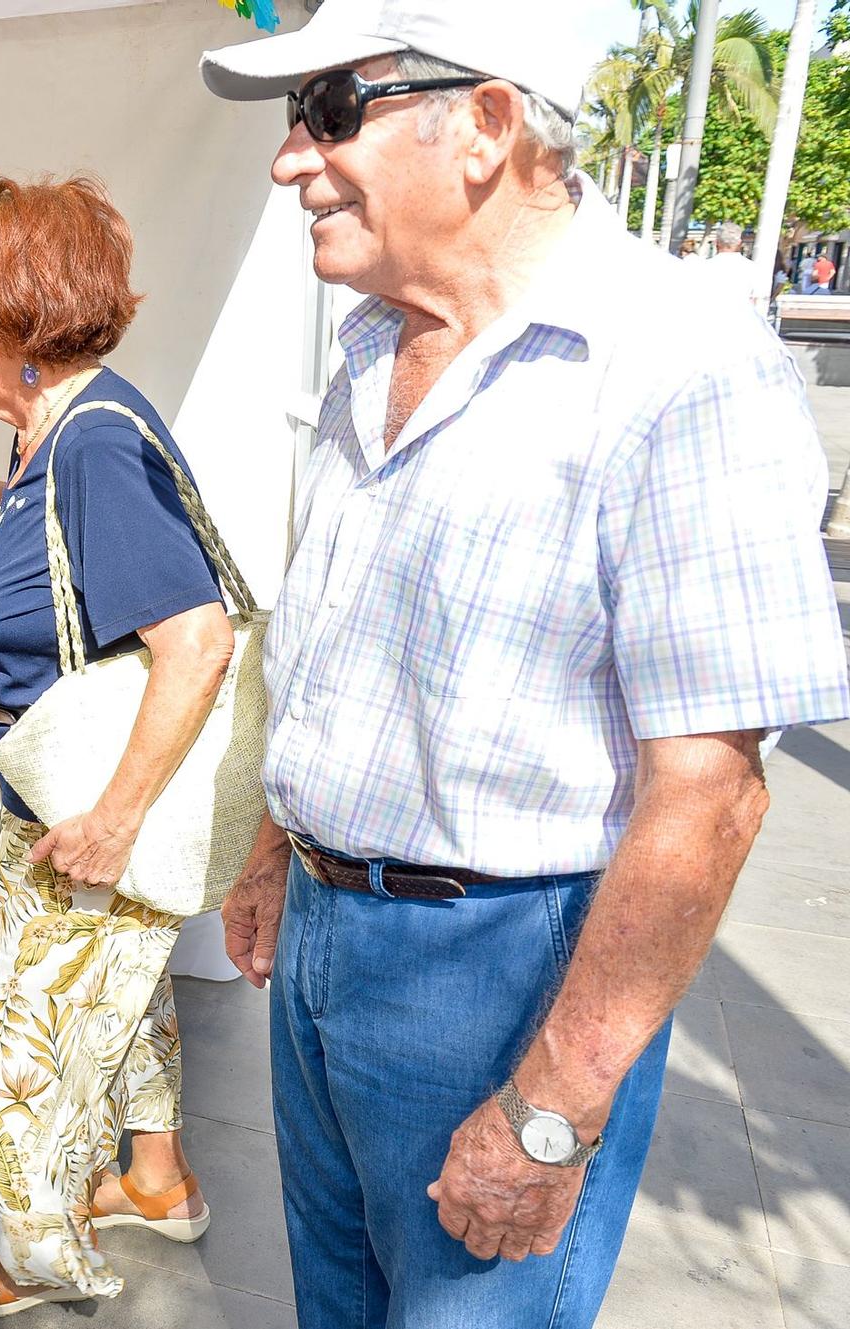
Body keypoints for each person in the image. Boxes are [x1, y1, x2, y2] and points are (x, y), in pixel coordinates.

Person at [199, 4, 850, 1327]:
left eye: (328, 111)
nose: (288, 158)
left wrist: (553, 1106)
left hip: (503, 968)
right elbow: (341, 638)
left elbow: (711, 793)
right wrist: (280, 844)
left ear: (488, 123)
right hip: (330, 942)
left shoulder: (683, 367)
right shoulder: (371, 343)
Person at [0, 175, 237, 1316]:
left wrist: (111, 821)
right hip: (75, 797)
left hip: (79, 810)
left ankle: (34, 1261)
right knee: (124, 997)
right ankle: (155, 1181)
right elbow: (42, 571)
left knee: (19, 1057)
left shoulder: (92, 444)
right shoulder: (61, 428)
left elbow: (197, 638)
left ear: (15, 307)